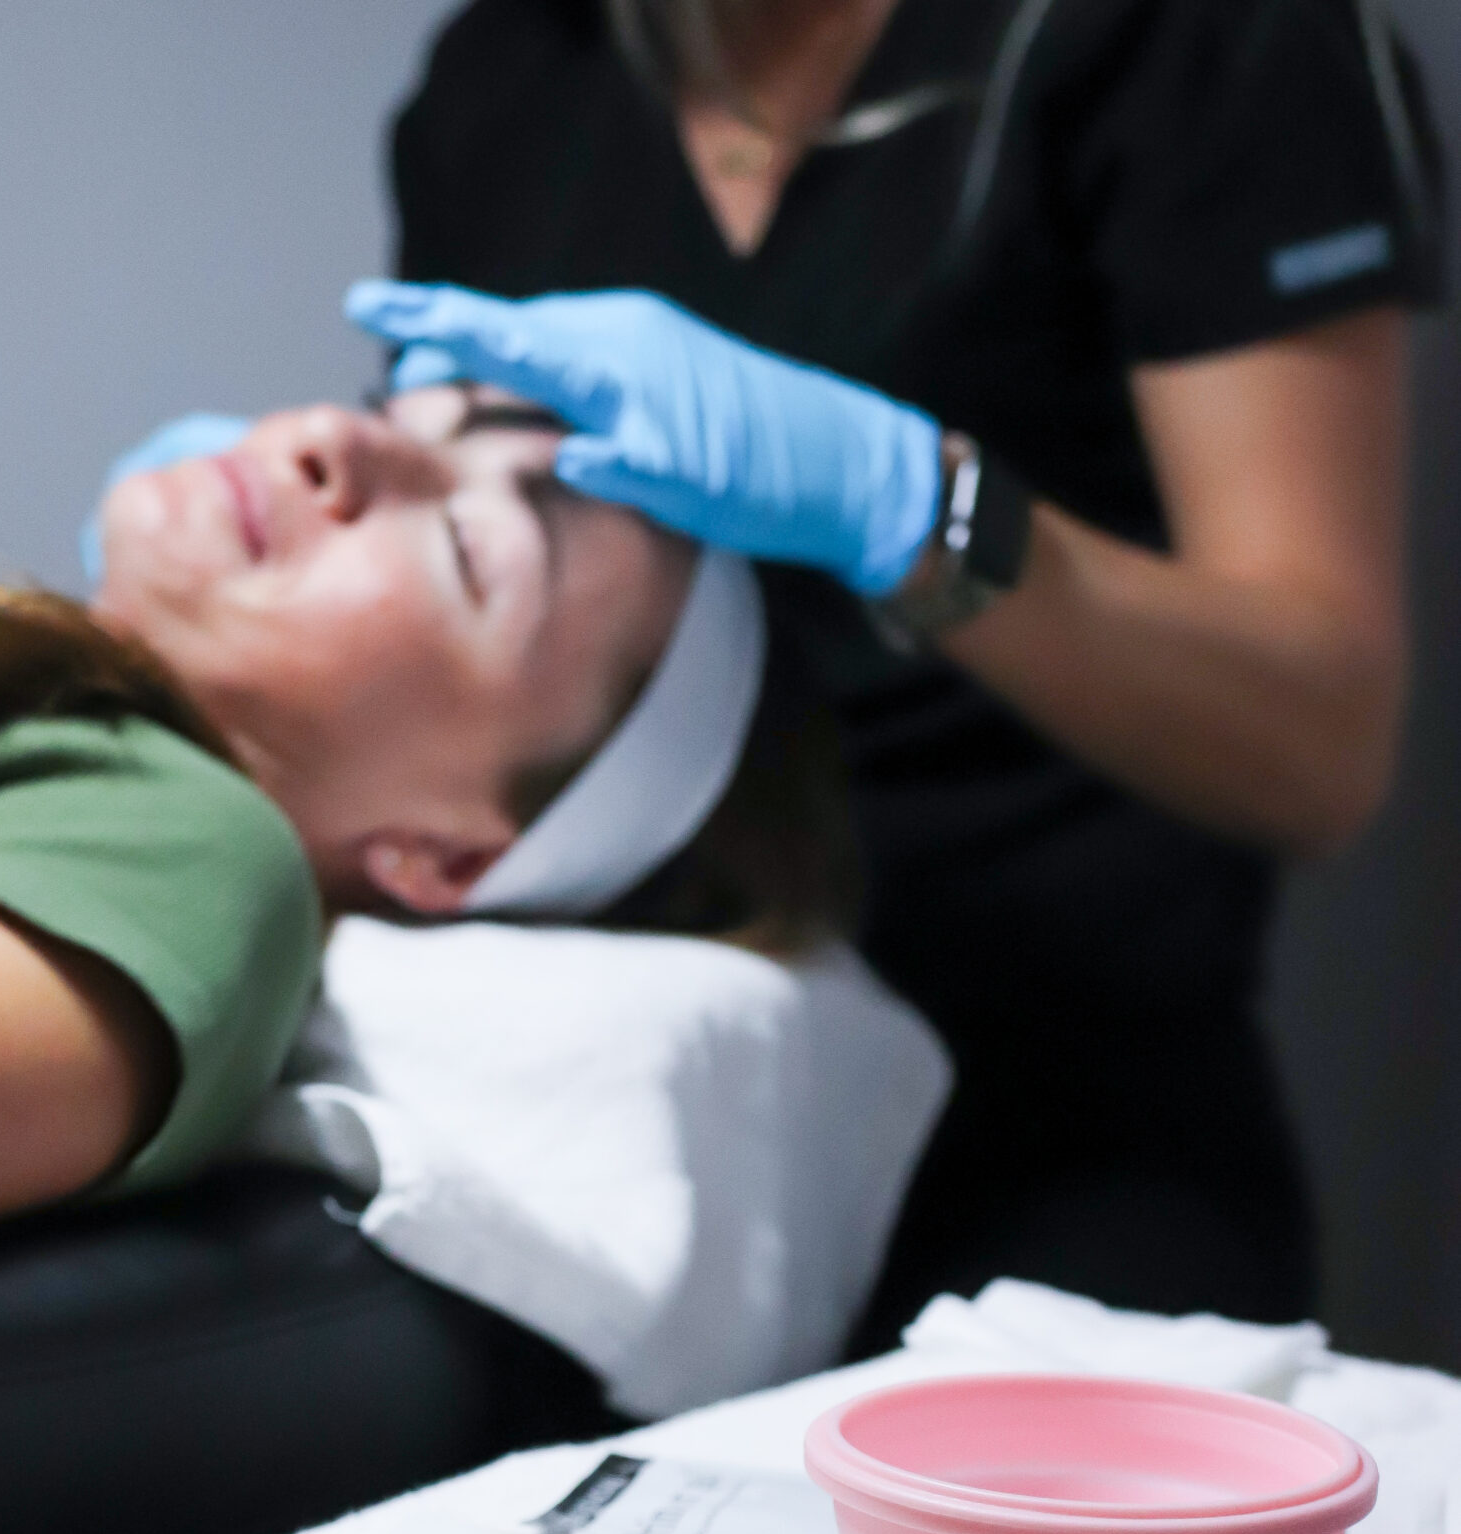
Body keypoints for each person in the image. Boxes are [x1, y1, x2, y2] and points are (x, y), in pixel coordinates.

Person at [362, 0, 1445, 1334]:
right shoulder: (507, 80)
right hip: (637, 1078)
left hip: (1060, 1107)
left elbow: (1320, 748)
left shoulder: (1198, 42)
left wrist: (904, 507)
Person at [0, 389, 760, 1286]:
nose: (335, 435)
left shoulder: (184, 846)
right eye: (407, 410)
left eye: (467, 548)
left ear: (447, 854)